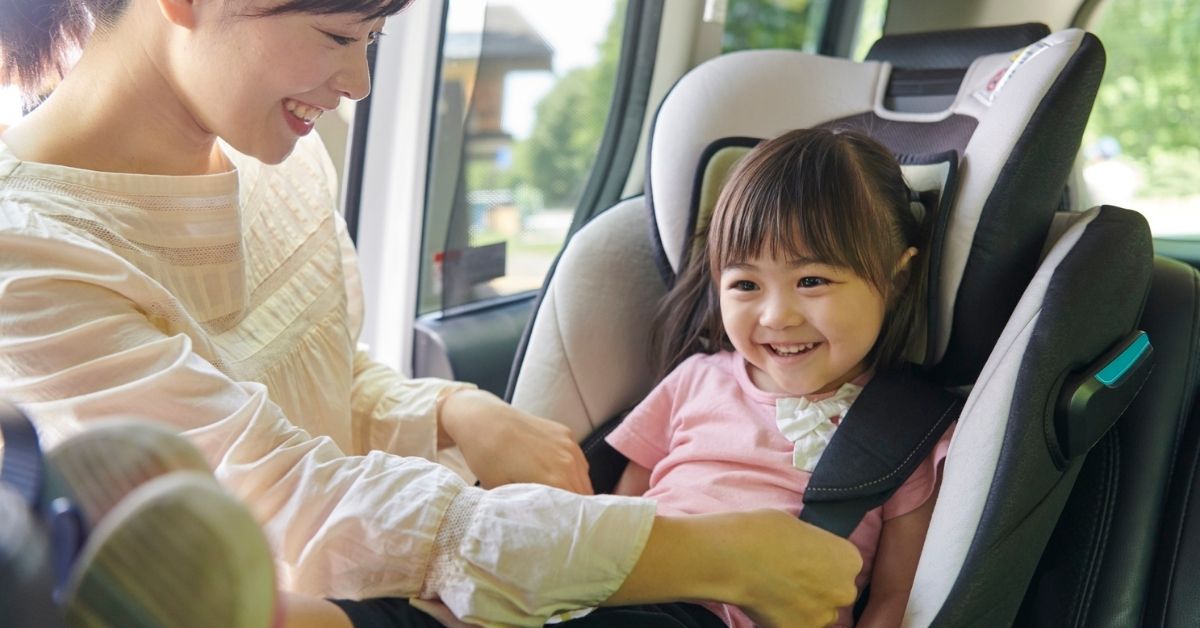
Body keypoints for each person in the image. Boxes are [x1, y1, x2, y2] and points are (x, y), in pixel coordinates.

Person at [0, 0, 863, 625]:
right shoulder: (29, 256)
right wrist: (723, 554)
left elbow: (327, 376)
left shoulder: (284, 166)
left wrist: (452, 406)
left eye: (374, 38)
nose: (360, 80)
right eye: (338, 34)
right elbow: (284, 496)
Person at [601, 128, 954, 628]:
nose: (776, 316)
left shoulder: (910, 432)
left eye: (812, 281)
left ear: (897, 279)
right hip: (637, 597)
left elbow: (896, 598)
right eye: (745, 284)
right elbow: (617, 518)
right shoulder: (696, 379)